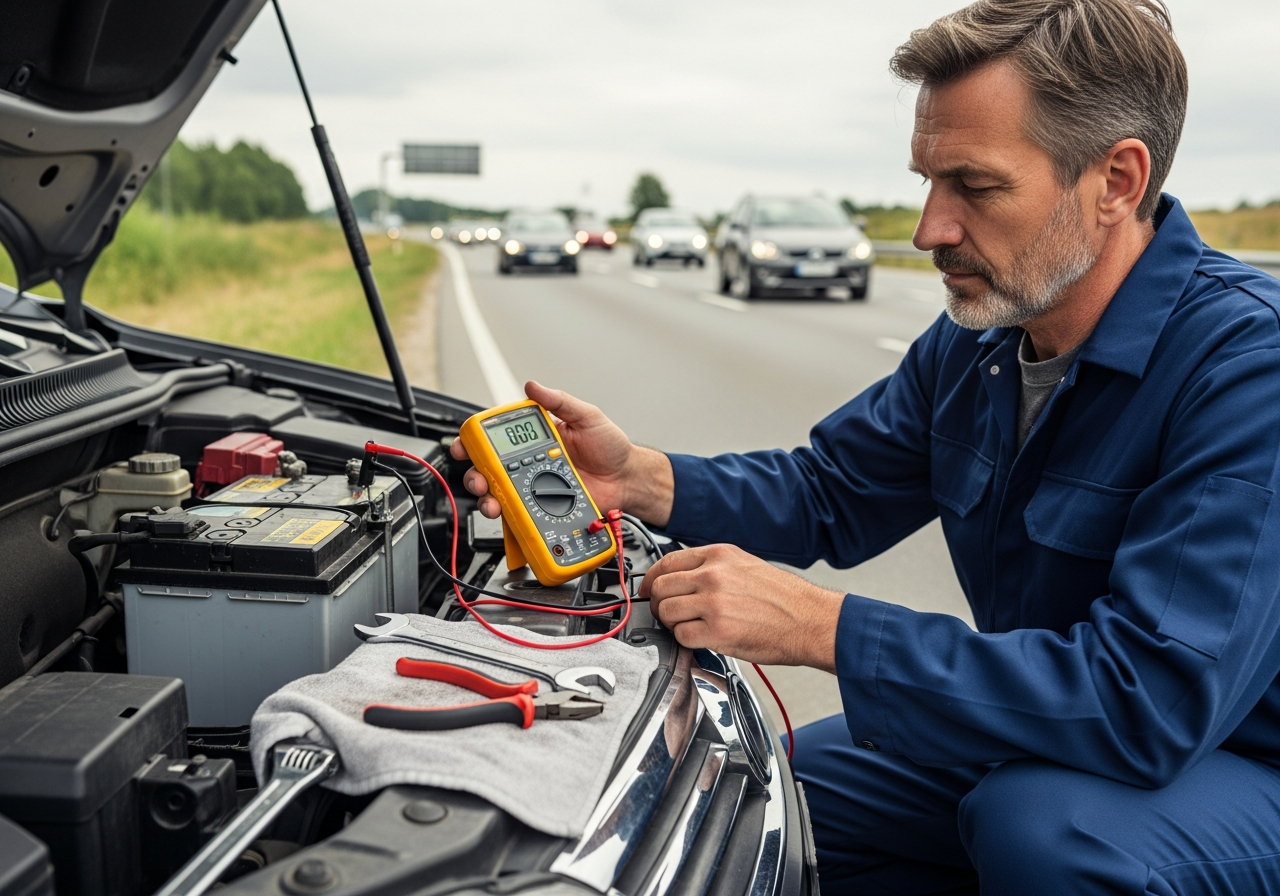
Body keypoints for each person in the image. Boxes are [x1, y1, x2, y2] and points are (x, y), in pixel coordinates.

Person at [452, 0, 1280, 891]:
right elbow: (830, 492)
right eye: (927, 180)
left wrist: (820, 628)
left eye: (976, 186)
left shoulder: (1246, 370)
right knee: (746, 797)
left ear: (1116, 181)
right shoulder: (980, 340)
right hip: (1053, 728)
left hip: (1236, 760)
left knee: (1042, 830)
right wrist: (641, 478)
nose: (930, 229)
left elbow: (1149, 702)